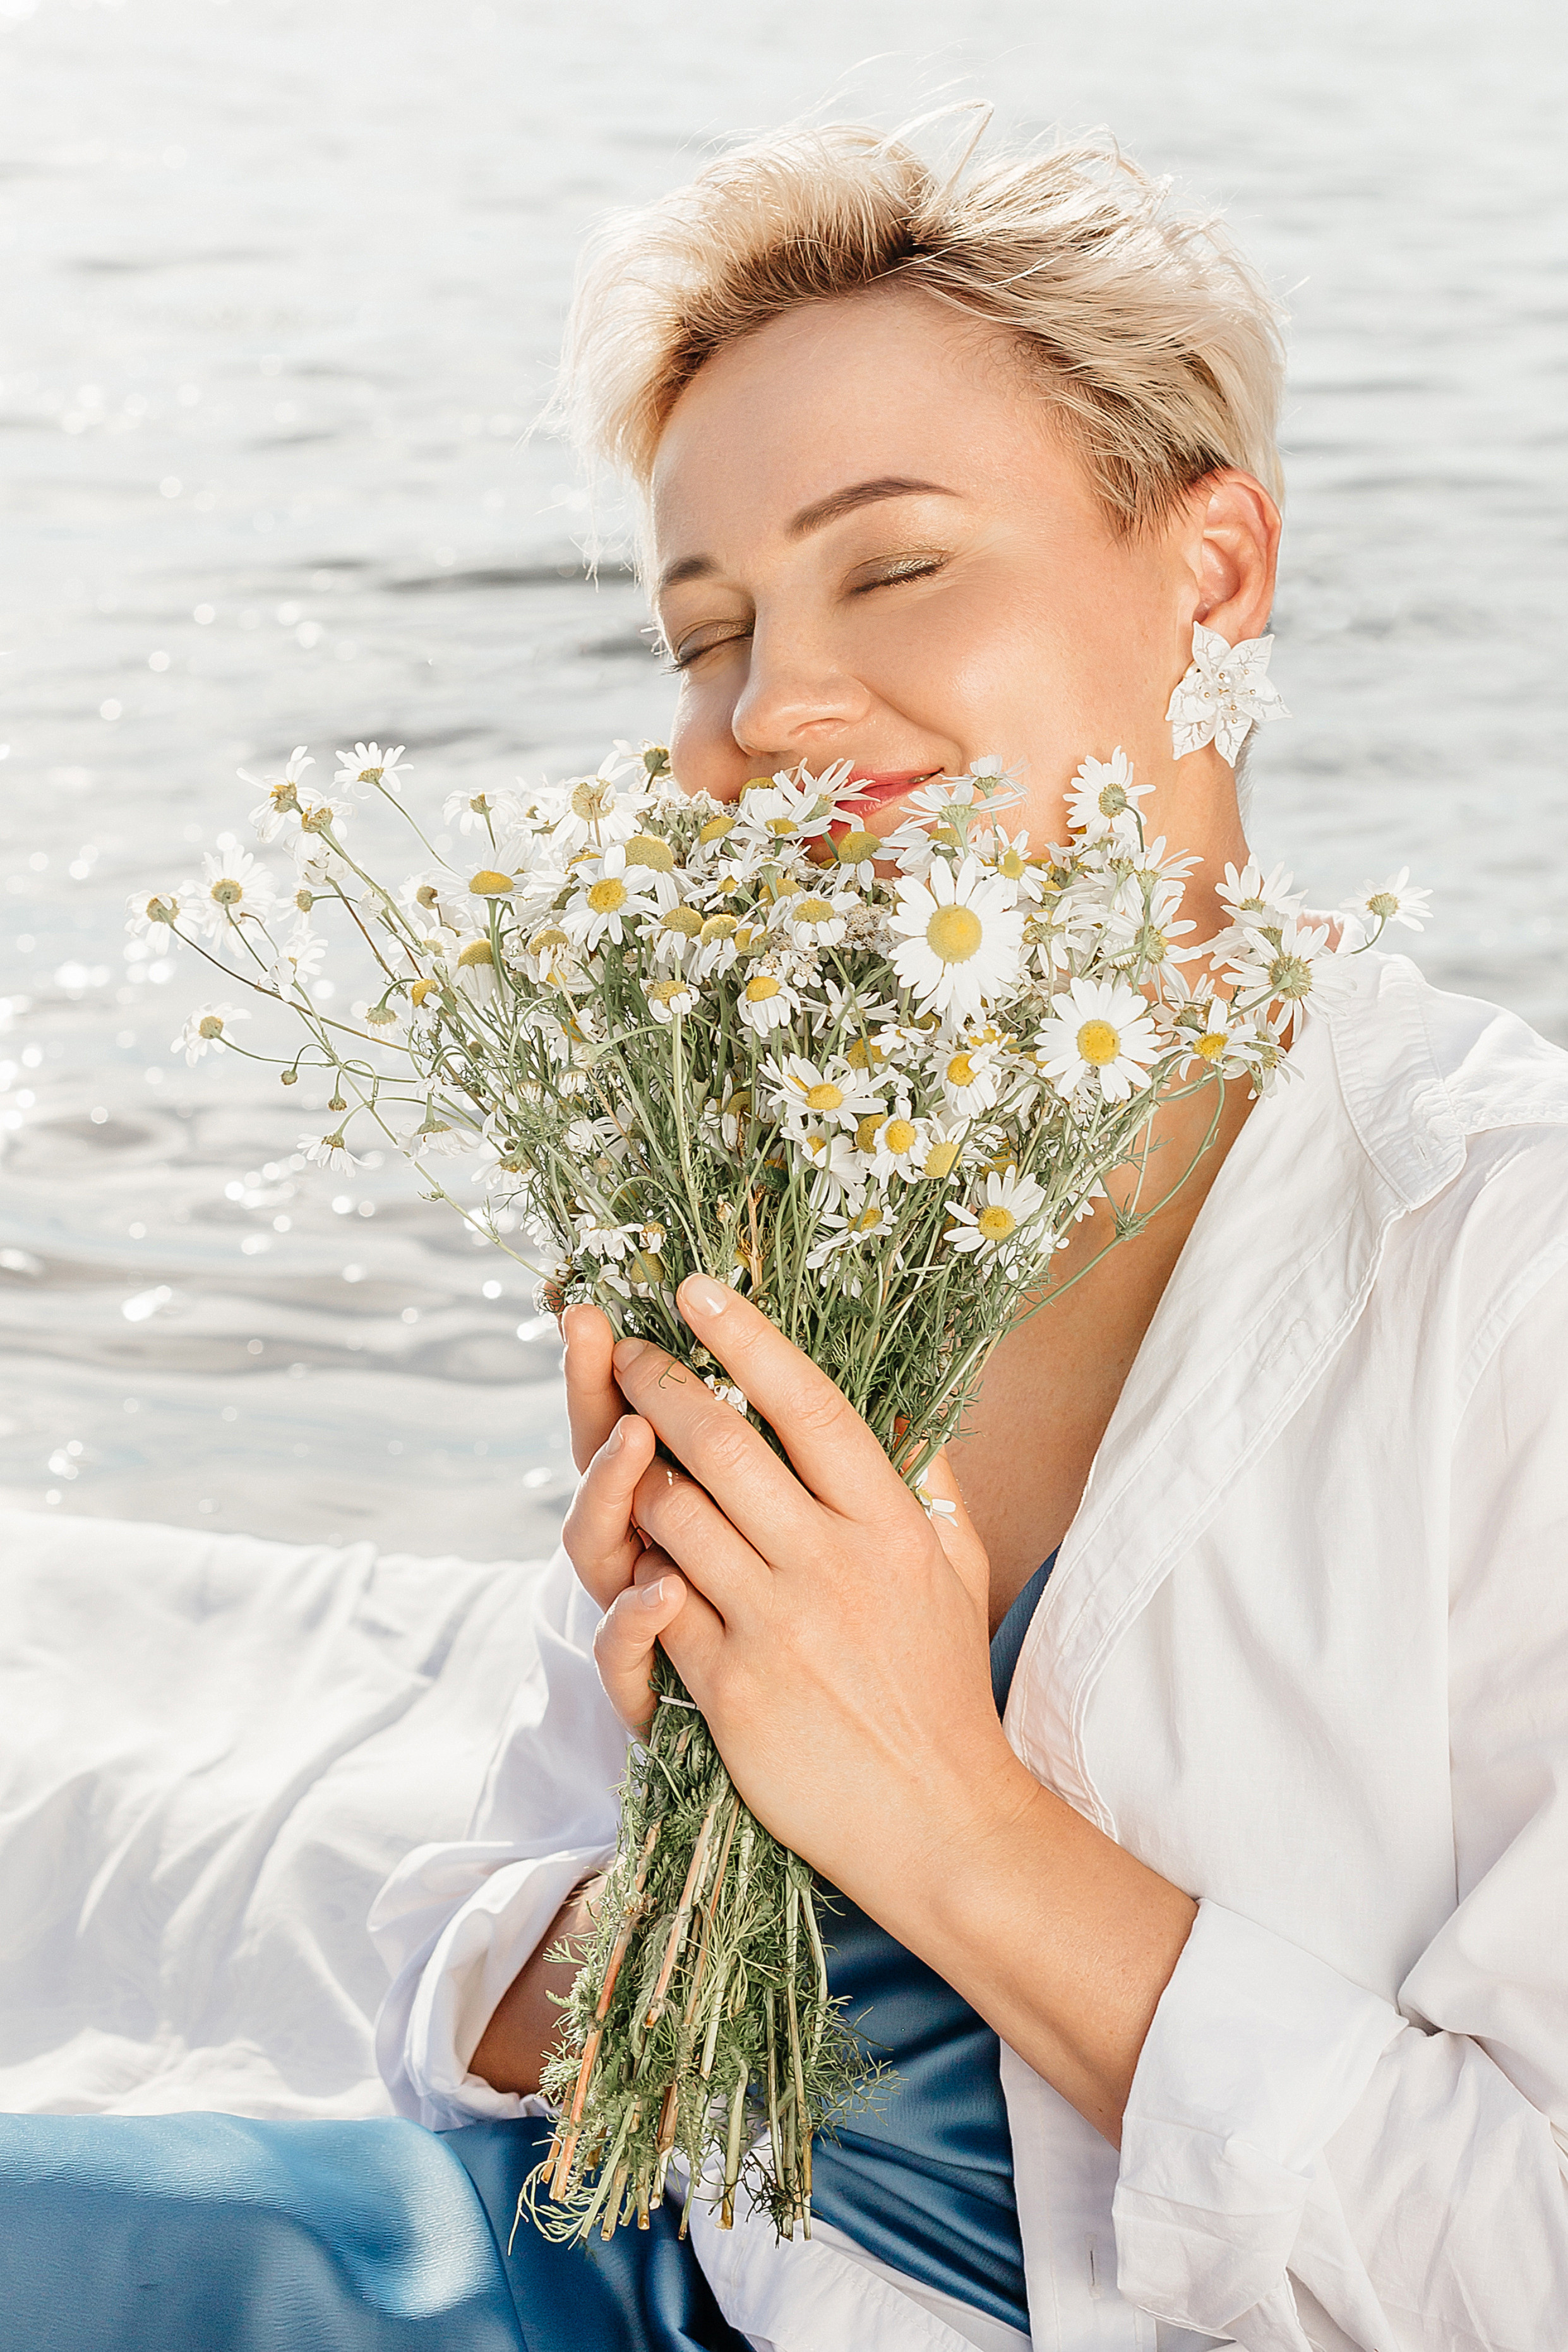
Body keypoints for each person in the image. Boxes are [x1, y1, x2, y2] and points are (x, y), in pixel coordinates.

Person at [4, 117, 1566, 2352]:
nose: (769, 709)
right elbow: (495, 1965)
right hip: (625, 2262)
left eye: (896, 567)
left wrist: (925, 1806)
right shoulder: (778, 1199)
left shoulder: (1505, 1263)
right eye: (706, 629)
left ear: (1211, 566)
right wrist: (697, 1823)